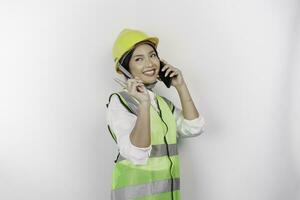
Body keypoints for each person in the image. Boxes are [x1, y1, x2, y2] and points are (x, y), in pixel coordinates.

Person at [106, 28, 206, 200]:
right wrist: (143, 104)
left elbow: (194, 127)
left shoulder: (161, 104)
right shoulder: (120, 102)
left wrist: (181, 86)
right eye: (139, 59)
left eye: (153, 55)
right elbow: (137, 152)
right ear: (124, 69)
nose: (150, 63)